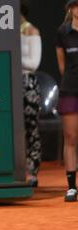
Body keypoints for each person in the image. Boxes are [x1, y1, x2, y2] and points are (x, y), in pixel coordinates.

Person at [56, 0, 78, 202]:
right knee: (70, 137)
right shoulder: (63, 32)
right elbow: (62, 65)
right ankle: (72, 187)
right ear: (70, 9)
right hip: (70, 89)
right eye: (75, 5)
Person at [20, 1, 42, 187]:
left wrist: (14, 50)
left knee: (31, 128)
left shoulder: (32, 31)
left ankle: (32, 172)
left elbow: (33, 63)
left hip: (28, 84)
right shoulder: (7, 33)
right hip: (10, 82)